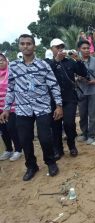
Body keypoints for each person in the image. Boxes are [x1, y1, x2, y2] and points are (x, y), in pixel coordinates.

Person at [0, 34, 63, 181]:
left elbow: (54, 86)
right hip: (22, 109)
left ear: (34, 46)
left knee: (45, 138)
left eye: (29, 43)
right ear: (19, 46)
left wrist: (59, 106)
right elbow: (11, 88)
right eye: (22, 43)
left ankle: (50, 162)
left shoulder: (43, 65)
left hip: (42, 108)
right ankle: (31, 166)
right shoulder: (14, 66)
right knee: (25, 140)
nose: (26, 46)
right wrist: (6, 108)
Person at [47, 38, 87, 160]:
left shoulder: (70, 62)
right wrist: (56, 61)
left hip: (69, 98)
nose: (60, 50)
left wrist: (78, 59)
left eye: (61, 47)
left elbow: (83, 73)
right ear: (51, 49)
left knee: (69, 124)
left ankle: (72, 146)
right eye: (57, 47)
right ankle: (58, 150)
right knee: (55, 126)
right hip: (53, 100)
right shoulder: (47, 63)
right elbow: (45, 75)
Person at [76, 40, 95, 145]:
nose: (86, 50)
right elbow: (72, 76)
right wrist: (77, 78)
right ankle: (84, 133)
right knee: (83, 115)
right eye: (84, 48)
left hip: (94, 91)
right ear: (79, 49)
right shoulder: (76, 62)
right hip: (81, 91)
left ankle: (91, 135)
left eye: (88, 48)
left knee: (92, 115)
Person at [0, 53, 22, 161]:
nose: (0, 62)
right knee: (3, 130)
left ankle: (18, 149)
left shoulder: (12, 73)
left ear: (6, 61)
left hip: (12, 107)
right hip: (0, 108)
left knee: (12, 128)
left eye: (2, 60)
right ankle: (8, 150)